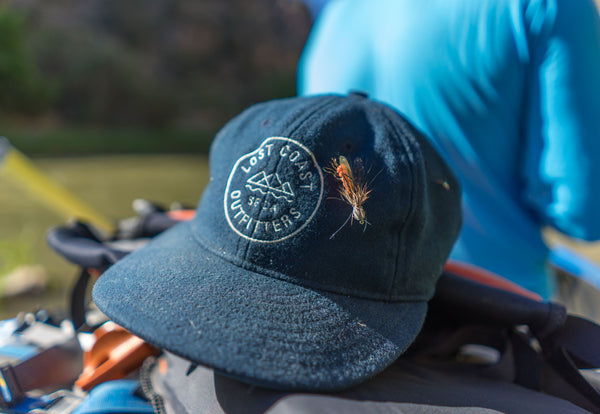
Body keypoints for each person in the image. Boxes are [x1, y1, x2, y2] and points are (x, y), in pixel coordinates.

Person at [297, 0, 600, 307]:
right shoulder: (546, 7)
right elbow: (581, 214)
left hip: (355, 323)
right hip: (495, 317)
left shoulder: (333, 23)